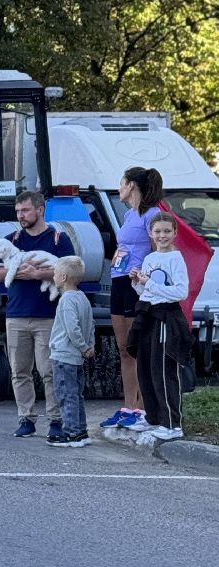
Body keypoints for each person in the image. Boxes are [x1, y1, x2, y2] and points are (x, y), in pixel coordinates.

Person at [0, 191, 74, 439]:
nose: (21, 216)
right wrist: (18, 273)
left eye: (25, 210)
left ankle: (56, 421)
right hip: (15, 314)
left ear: (40, 210)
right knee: (19, 370)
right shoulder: (12, 239)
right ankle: (25, 418)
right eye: (18, 211)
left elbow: (70, 273)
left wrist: (39, 275)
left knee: (49, 371)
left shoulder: (59, 240)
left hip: (48, 315)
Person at [99, 166, 164, 432]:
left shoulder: (151, 215)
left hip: (134, 284)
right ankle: (128, 406)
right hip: (118, 280)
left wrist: (145, 277)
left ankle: (144, 407)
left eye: (122, 183)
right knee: (124, 348)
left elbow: (159, 248)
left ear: (132, 186)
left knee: (138, 348)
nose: (119, 188)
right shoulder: (127, 214)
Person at [129, 212, 191, 445]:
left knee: (163, 370)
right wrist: (136, 281)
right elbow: (146, 292)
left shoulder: (176, 258)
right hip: (148, 316)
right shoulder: (149, 258)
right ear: (150, 234)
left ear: (175, 233)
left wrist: (150, 282)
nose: (162, 235)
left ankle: (173, 424)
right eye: (158, 232)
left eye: (167, 231)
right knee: (145, 367)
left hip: (167, 317)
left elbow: (180, 292)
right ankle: (154, 417)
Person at [47, 255, 95, 447]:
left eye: (56, 273)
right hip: (77, 357)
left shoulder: (66, 300)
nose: (54, 276)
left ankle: (71, 433)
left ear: (64, 277)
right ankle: (81, 431)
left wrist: (82, 346)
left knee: (66, 394)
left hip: (64, 354)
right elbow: (90, 324)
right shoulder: (82, 298)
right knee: (76, 394)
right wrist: (88, 346)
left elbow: (71, 328)